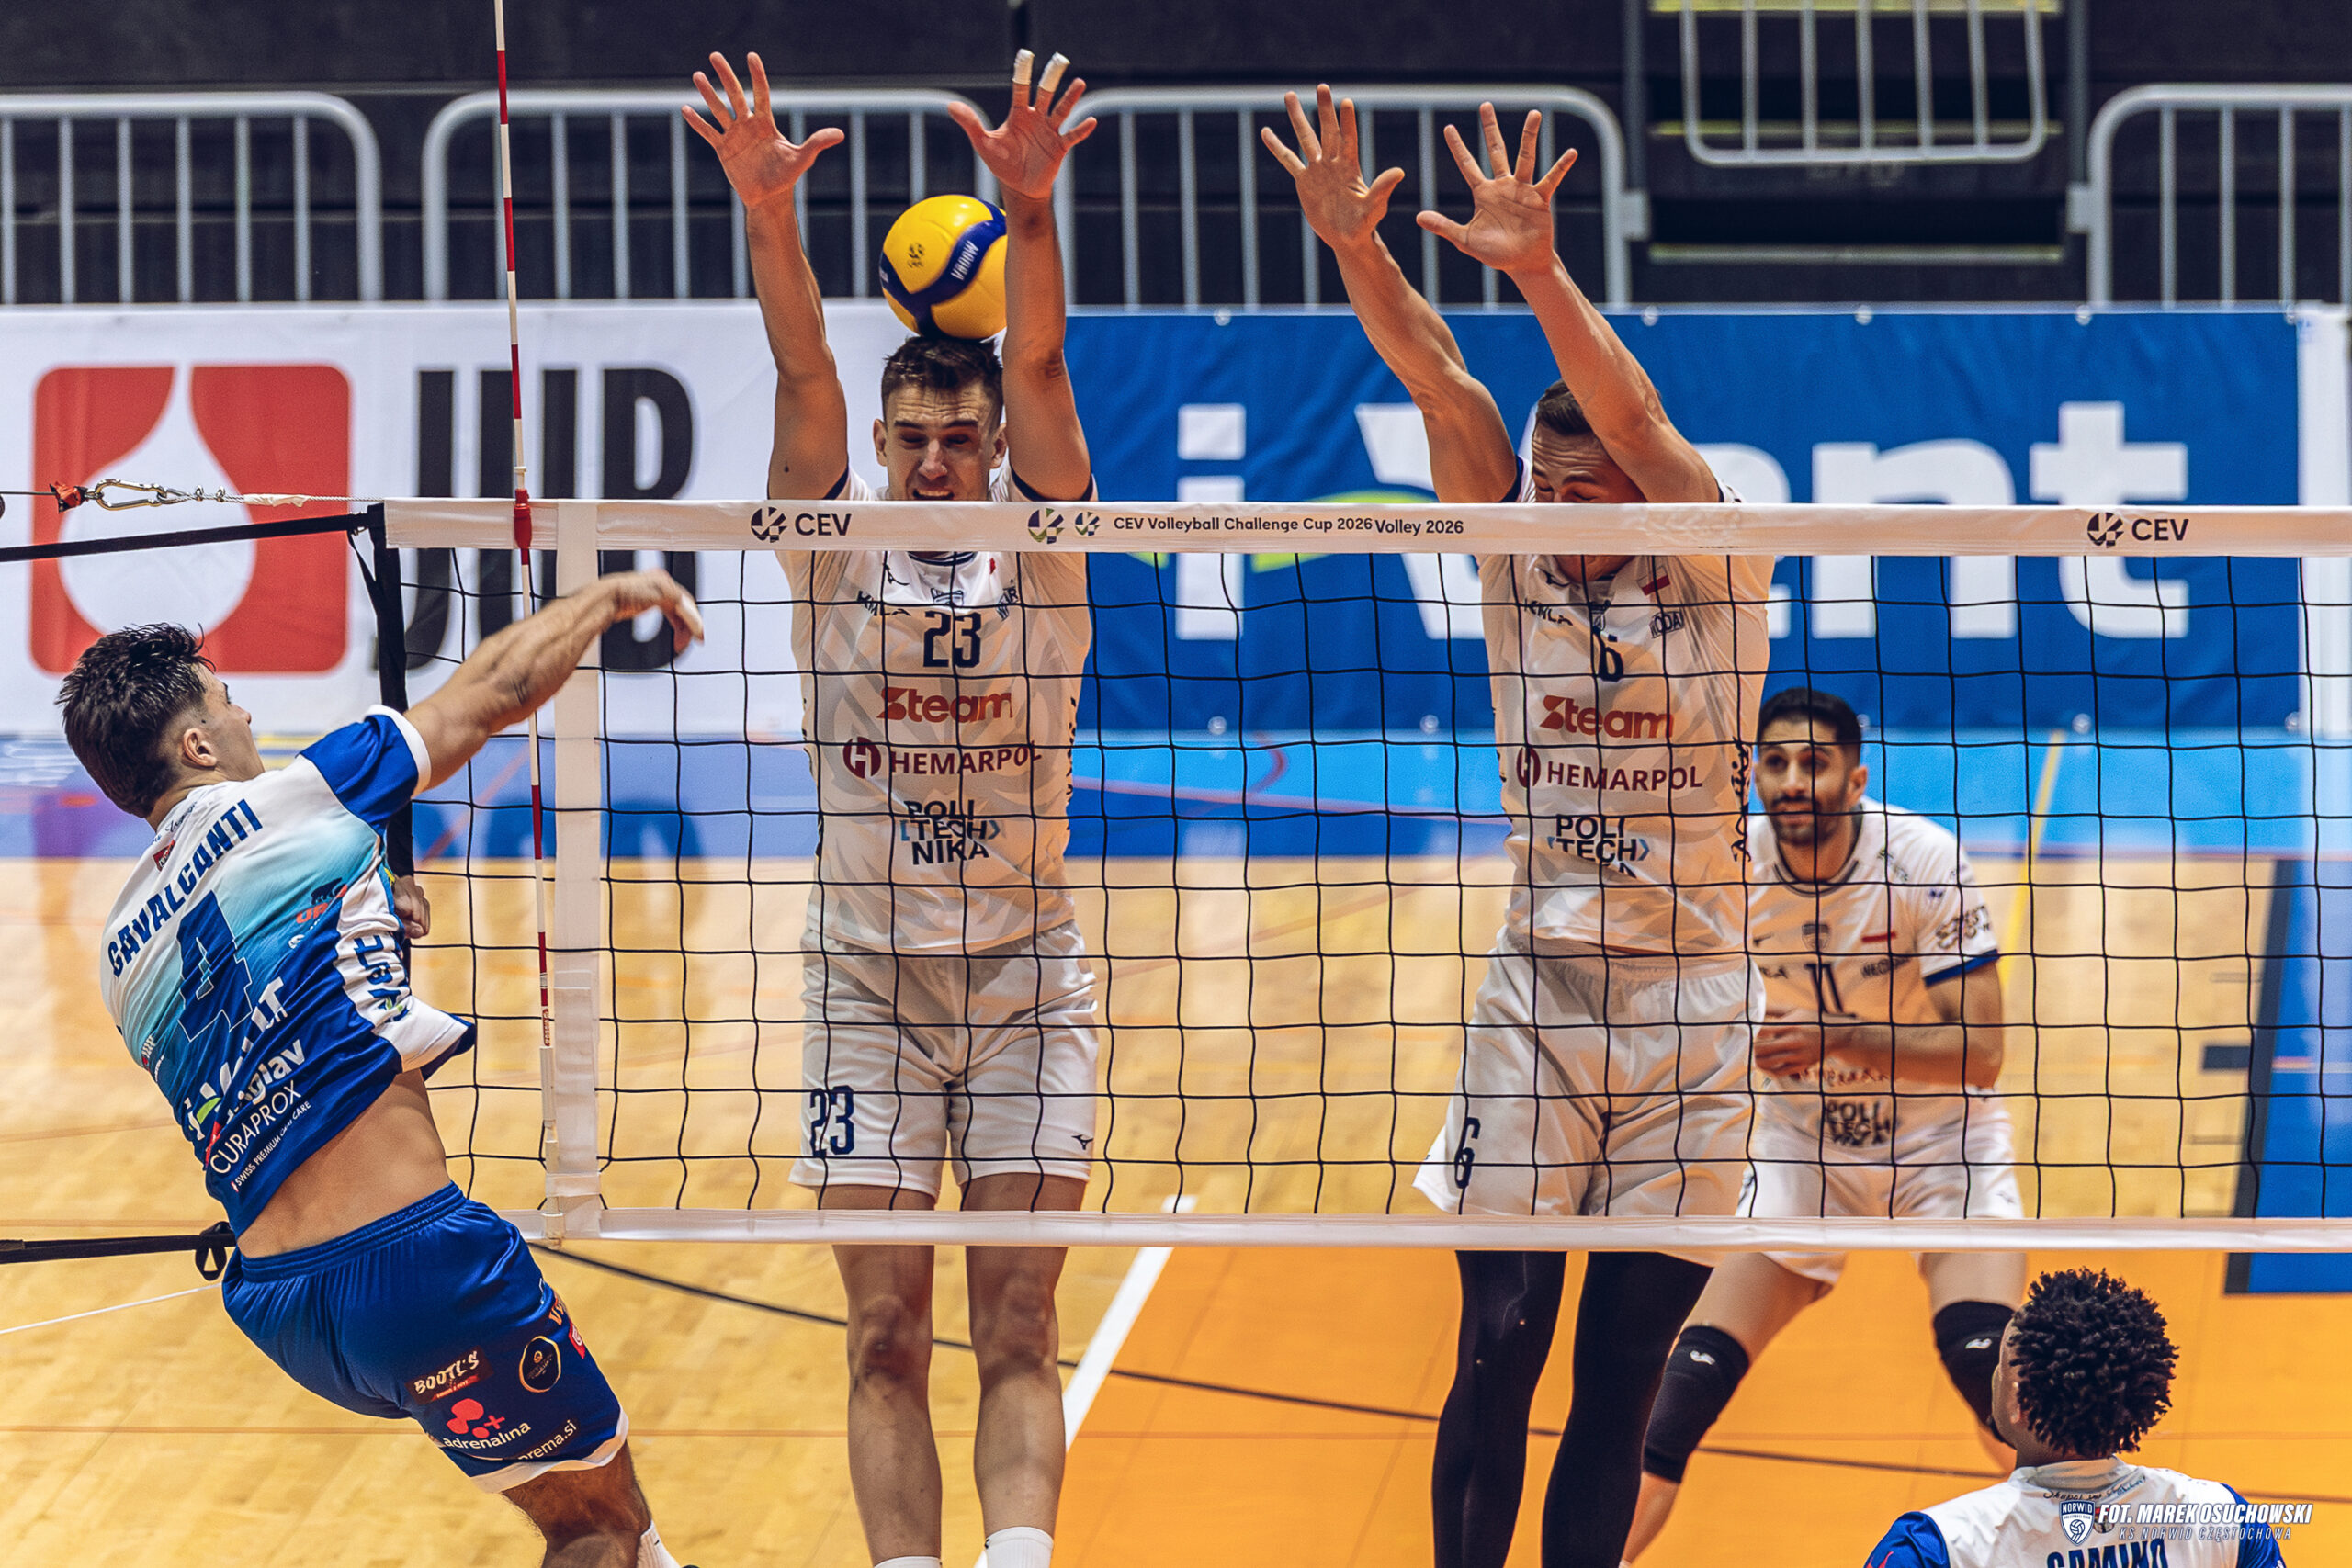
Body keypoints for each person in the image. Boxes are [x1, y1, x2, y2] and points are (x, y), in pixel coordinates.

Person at [1263, 87, 1771, 1568]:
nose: (1549, 509)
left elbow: (1639, 420)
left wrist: (1541, 271)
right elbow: (1438, 378)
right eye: (1540, 488)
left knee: (1617, 1387)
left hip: (1698, 1012)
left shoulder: (1711, 558)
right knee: (1497, 1339)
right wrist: (1355, 246)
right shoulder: (1514, 550)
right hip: (1537, 999)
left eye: (1580, 488)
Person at [61, 570, 705, 1568]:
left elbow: (278, 1028)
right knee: (596, 1527)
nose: (246, 716)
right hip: (412, 1272)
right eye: (227, 702)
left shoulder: (118, 950)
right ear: (197, 747)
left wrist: (366, 910)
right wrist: (607, 594)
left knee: (609, 1511)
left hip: (287, 1310)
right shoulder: (298, 798)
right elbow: (493, 691)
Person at [685, 46, 1098, 1568]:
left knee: (1019, 1321)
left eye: (958, 439)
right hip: (862, 979)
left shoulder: (1047, 555)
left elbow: (1041, 368)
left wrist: (1028, 210)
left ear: (993, 449)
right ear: (882, 447)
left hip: (1028, 982)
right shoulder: (832, 546)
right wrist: (768, 213)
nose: (934, 460)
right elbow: (803, 373)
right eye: (911, 438)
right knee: (881, 1334)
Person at [1626, 684, 2024, 1560]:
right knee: (1674, 1405)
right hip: (1800, 1149)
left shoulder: (1922, 858)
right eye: (1774, 762)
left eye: (1815, 761)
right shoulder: (1727, 867)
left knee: (1997, 1384)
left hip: (1941, 1145)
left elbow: (1982, 1053)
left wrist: (1837, 1036)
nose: (1793, 780)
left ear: (1856, 777)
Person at [1865, 1268, 2285, 1567]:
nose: (1993, 1373)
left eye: (2002, 1363)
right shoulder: (2225, 1518)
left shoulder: (1934, 1547)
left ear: (2020, 1403)